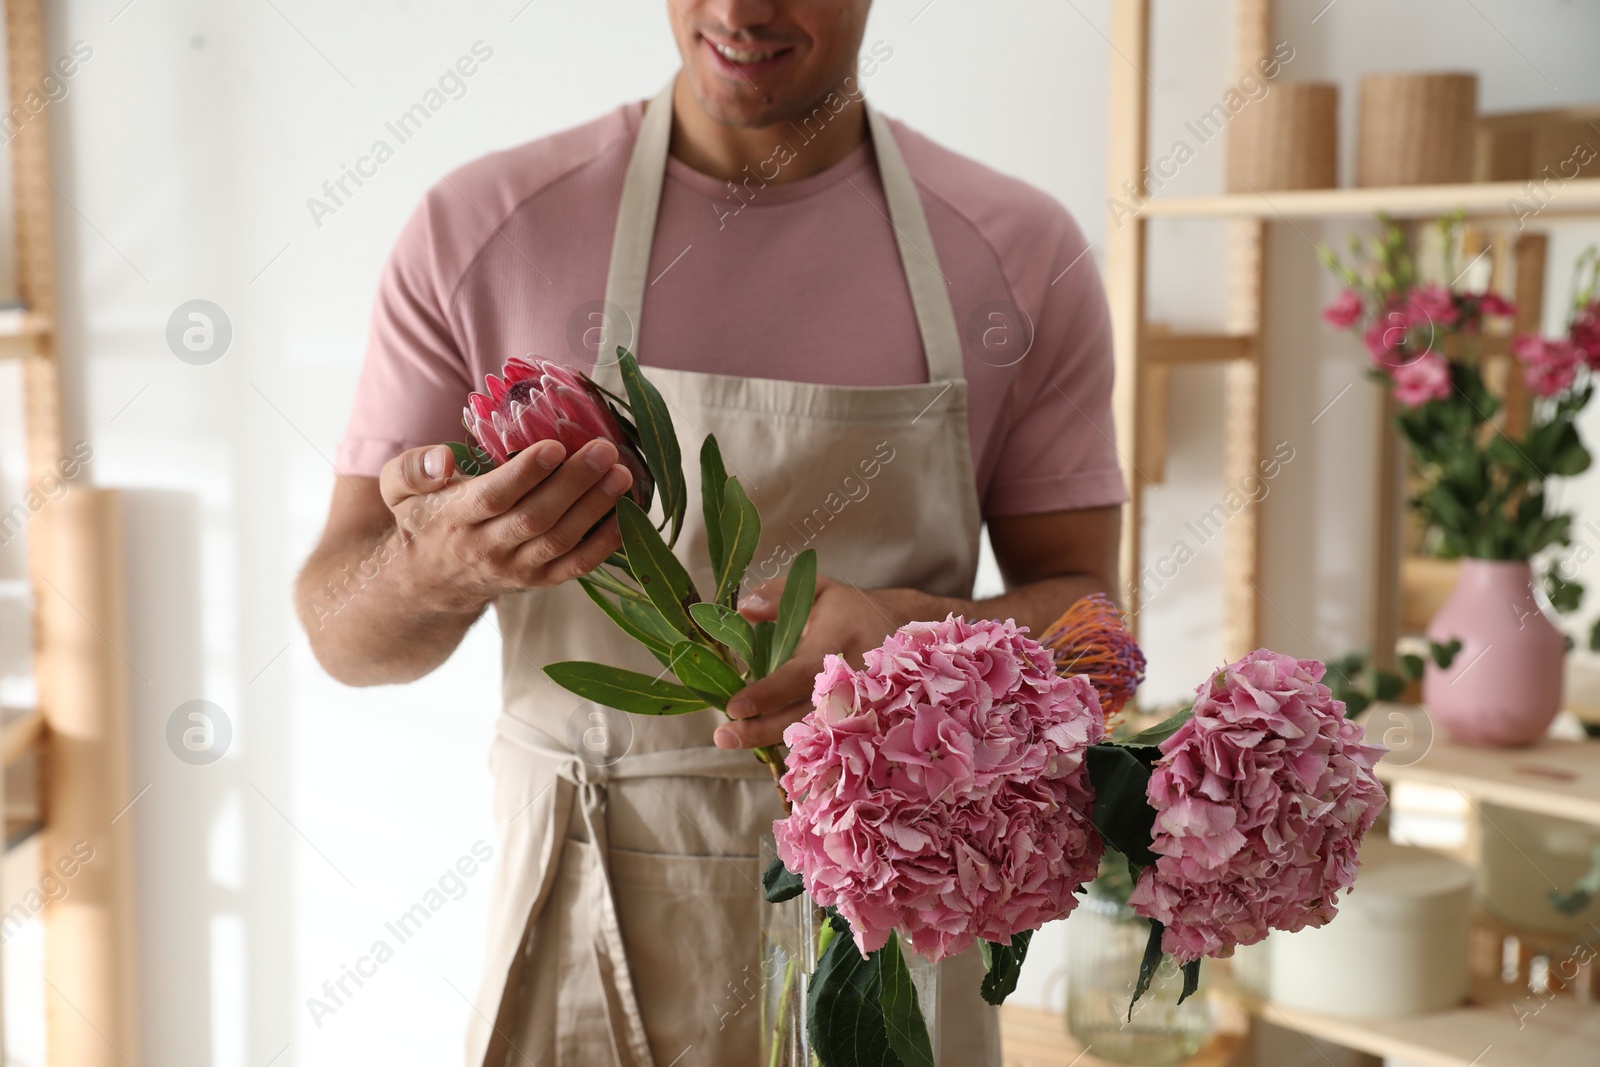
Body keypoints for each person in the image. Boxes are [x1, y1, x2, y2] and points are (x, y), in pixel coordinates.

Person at [296, 2, 1125, 1063]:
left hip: (890, 943)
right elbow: (338, 634)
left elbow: (1094, 628)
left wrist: (908, 637)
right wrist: (434, 565)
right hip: (588, 916)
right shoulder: (482, 227)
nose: (740, 11)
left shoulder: (1017, 249)